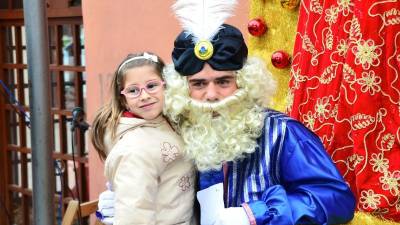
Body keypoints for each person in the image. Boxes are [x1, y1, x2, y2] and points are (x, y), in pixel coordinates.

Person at [98, 1, 356, 224]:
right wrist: (126, 196)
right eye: (198, 84)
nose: (211, 95)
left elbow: (335, 199)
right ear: (182, 88)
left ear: (243, 82)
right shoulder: (179, 130)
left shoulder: (282, 132)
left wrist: (255, 215)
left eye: (223, 82)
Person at [91, 52, 196, 225]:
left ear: (167, 87)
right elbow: (134, 214)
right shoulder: (134, 150)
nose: (144, 95)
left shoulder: (166, 121)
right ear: (123, 100)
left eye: (152, 85)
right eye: (133, 90)